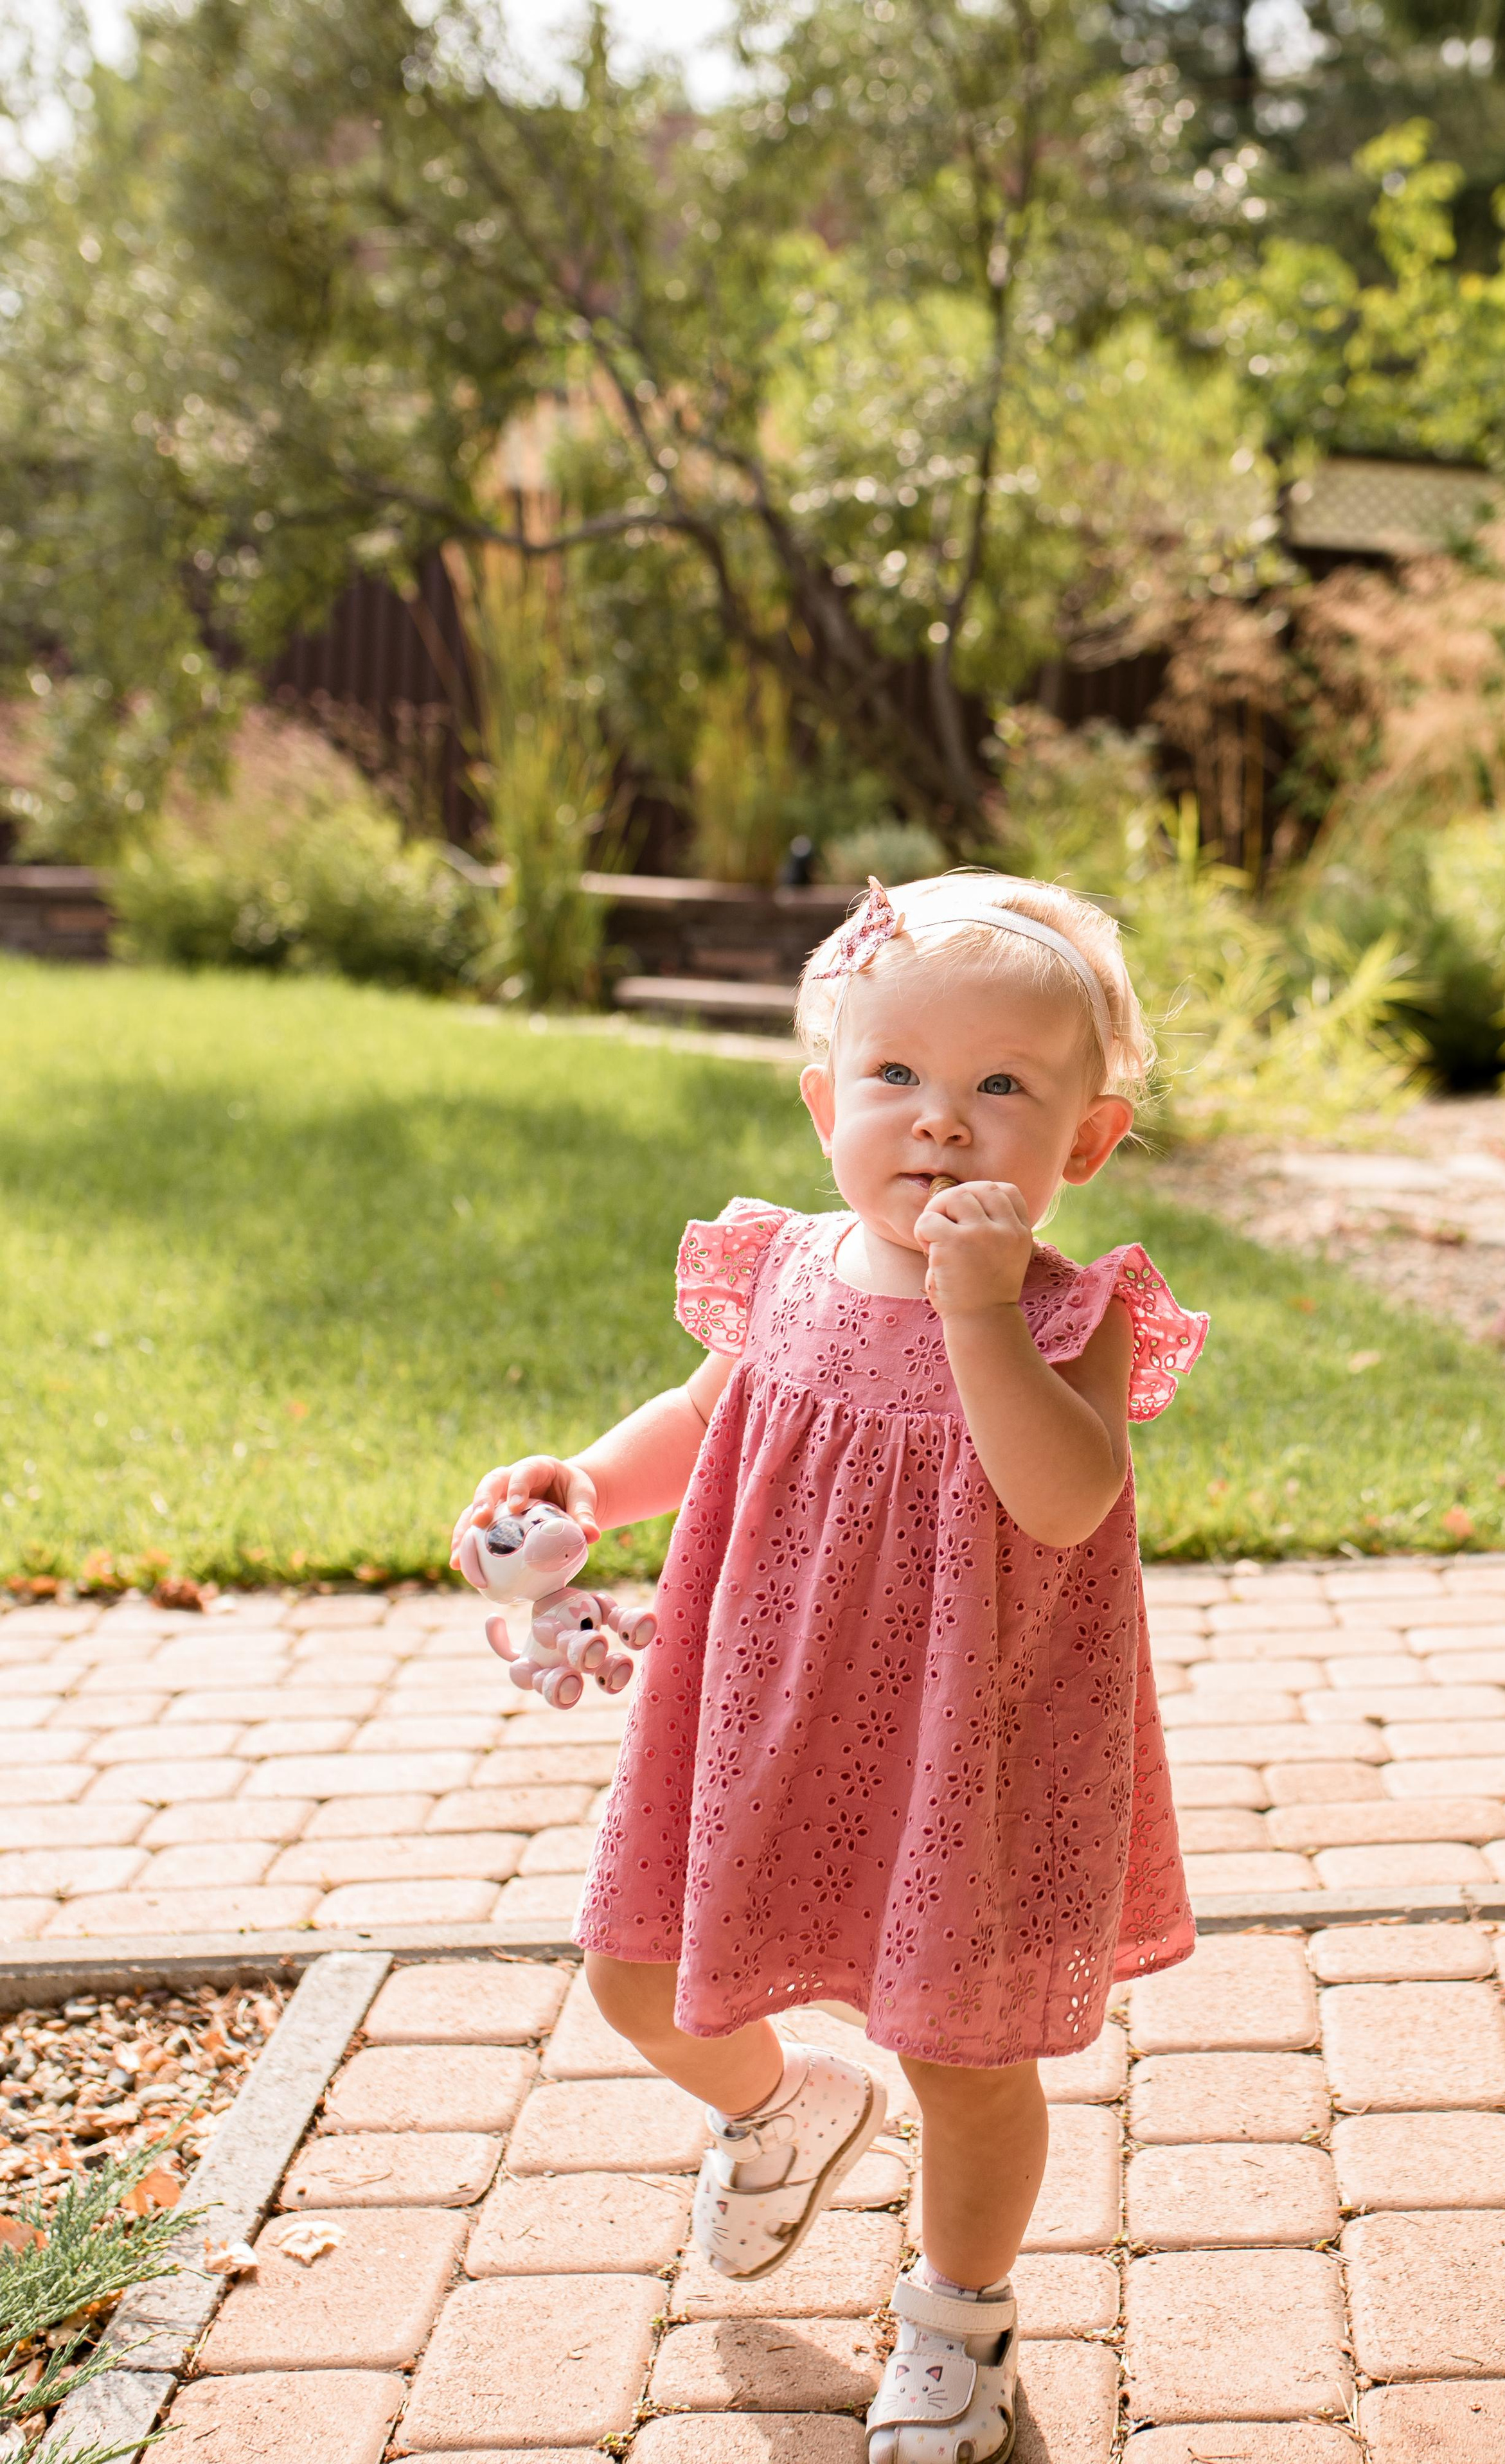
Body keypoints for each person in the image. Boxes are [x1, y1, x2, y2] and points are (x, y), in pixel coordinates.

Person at [452, 871, 1206, 2464]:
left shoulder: (1070, 1313)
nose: (939, 1123)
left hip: (966, 1740)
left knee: (959, 2049)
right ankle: (778, 2105)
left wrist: (982, 1314)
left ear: (1083, 1142)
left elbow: (1063, 1494)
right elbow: (699, 1419)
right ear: (821, 1103)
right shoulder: (784, 1267)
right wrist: (585, 1484)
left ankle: (957, 2319)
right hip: (763, 1716)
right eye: (895, 1078)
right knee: (635, 1973)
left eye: (1001, 1087)